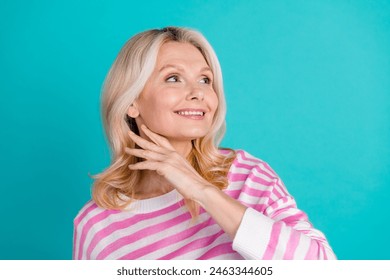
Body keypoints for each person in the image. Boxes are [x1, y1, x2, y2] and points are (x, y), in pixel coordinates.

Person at [73, 26, 336, 260]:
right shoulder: (97, 224)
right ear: (131, 101)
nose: (198, 93)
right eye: (173, 78)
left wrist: (201, 189)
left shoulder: (247, 176)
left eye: (205, 80)